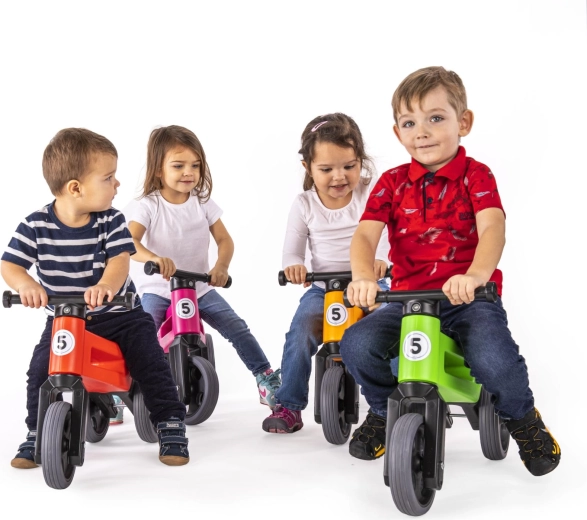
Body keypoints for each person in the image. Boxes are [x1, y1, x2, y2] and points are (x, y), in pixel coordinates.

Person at [340, 66, 561, 476]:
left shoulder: (476, 175)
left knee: (493, 358)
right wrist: (363, 276)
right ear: (397, 133)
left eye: (436, 118)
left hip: (468, 299)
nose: (422, 132)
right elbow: (366, 235)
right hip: (406, 301)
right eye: (410, 123)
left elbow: (493, 227)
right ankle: (384, 410)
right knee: (356, 343)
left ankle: (524, 421)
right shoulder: (391, 183)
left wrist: (475, 276)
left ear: (464, 122)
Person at [2, 128, 190, 468]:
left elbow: (120, 260)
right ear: (76, 188)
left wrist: (106, 285)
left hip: (121, 316)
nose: (117, 184)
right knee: (39, 371)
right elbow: (10, 264)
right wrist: (26, 285)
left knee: (149, 362)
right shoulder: (35, 225)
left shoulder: (111, 221)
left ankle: (170, 422)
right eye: (108, 177)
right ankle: (36, 432)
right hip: (65, 319)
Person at [125, 125, 281, 408]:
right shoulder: (148, 205)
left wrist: (221, 266)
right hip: (158, 289)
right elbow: (131, 242)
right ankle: (124, 389)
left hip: (198, 287)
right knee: (143, 336)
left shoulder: (203, 202)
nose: (189, 172)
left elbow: (224, 240)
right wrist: (154, 259)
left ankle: (264, 377)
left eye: (195, 165)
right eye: (178, 166)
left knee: (237, 327)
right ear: (158, 169)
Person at [262, 113, 390, 434]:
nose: (339, 176)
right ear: (308, 168)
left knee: (390, 326)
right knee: (300, 331)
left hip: (370, 283)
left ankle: (397, 397)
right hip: (324, 288)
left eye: (349, 166)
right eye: (326, 169)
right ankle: (289, 405)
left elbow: (386, 232)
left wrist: (381, 259)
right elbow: (292, 250)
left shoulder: (369, 193)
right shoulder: (304, 204)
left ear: (361, 161)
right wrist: (295, 265)